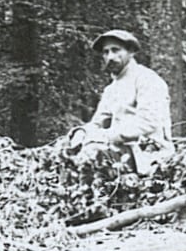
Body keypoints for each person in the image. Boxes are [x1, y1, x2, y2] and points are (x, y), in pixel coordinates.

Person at [64, 29, 174, 174]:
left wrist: (105, 136)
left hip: (149, 153)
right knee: (66, 154)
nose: (110, 57)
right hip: (119, 151)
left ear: (131, 51)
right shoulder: (111, 89)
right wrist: (82, 133)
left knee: (92, 153)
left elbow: (148, 123)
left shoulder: (147, 79)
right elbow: (98, 122)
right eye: (106, 52)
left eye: (116, 50)